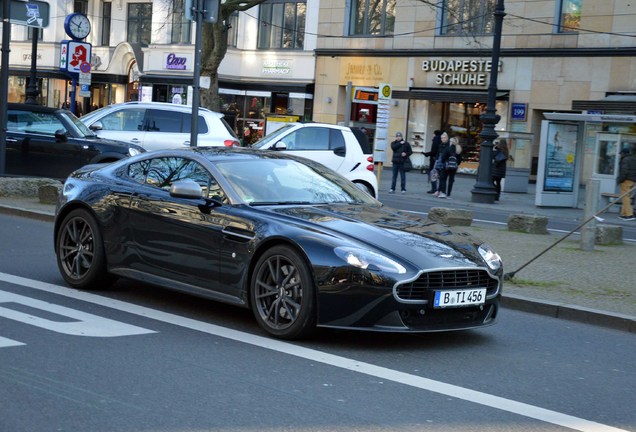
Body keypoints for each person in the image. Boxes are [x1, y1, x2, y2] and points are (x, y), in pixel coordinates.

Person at [617, 147, 636, 221]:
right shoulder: (634, 159)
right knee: (626, 196)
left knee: (625, 197)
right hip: (633, 181)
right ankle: (623, 214)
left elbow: (624, 171)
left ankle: (629, 214)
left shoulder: (625, 160)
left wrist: (620, 180)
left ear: (623, 153)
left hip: (626, 180)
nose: (620, 155)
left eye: (621, 154)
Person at [434, 132, 450, 197]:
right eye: (441, 138)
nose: (442, 139)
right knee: (440, 177)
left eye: (443, 138)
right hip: (440, 162)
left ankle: (443, 192)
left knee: (443, 178)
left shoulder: (448, 145)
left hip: (445, 163)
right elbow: (438, 153)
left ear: (447, 138)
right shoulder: (440, 145)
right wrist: (436, 160)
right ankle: (439, 190)